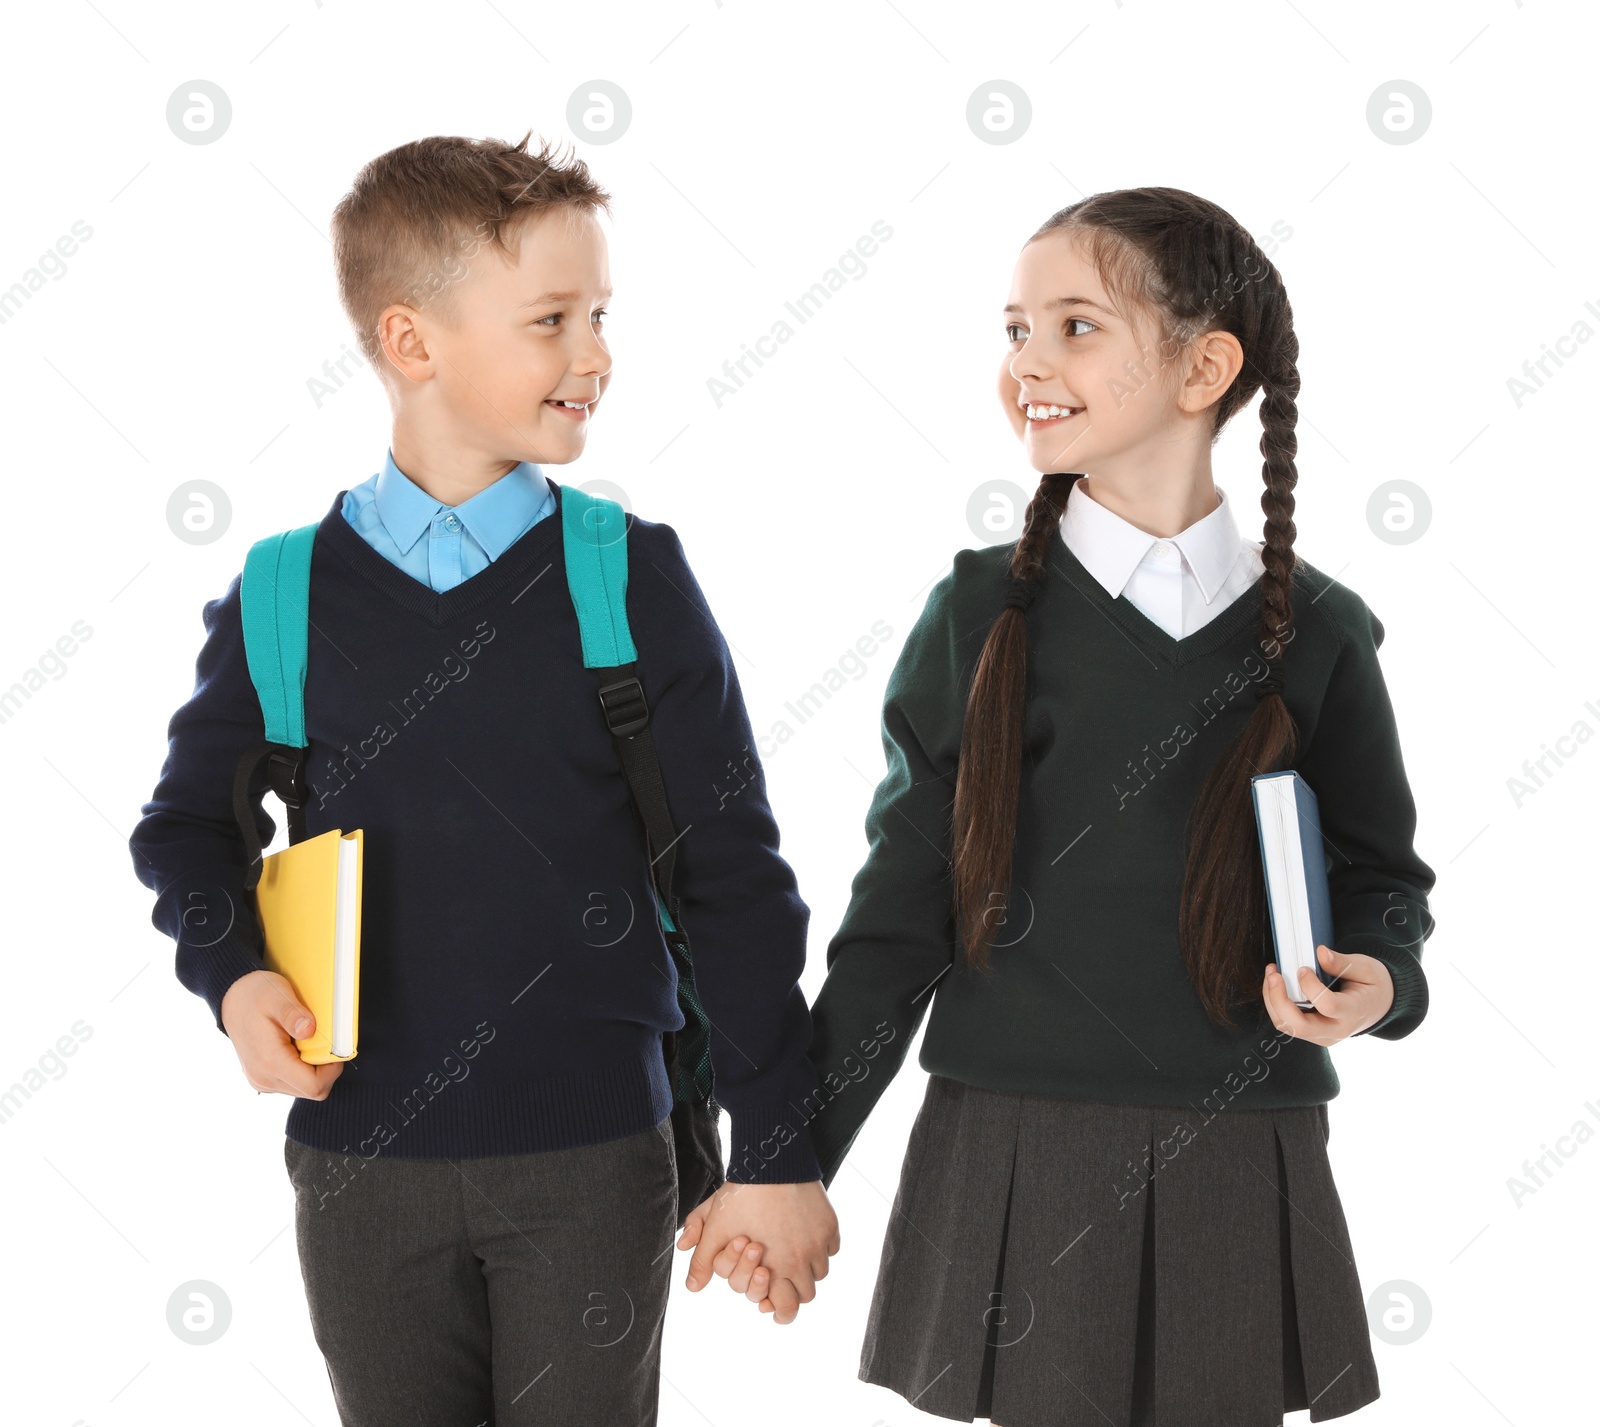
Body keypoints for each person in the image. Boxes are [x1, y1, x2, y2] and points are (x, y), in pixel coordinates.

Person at [693, 186, 1435, 1425]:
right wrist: (785, 1161)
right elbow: (895, 926)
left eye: (1073, 326)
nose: (1025, 362)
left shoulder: (1319, 633)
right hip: (1008, 1147)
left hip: (1238, 1146)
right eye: (1013, 329)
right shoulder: (979, 619)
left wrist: (1381, 980)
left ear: (1205, 366)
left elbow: (1380, 878)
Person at [128, 130, 836, 1426]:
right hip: (358, 1161)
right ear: (413, 343)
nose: (598, 353)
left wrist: (778, 1148)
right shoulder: (282, 594)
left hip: (596, 1162)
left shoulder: (627, 576)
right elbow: (185, 831)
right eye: (554, 318)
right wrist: (233, 974)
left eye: (602, 314)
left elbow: (734, 876)